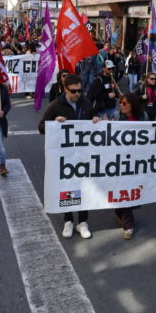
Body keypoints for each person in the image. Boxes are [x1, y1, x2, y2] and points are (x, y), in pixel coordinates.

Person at [39, 74, 99, 239]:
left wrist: (96, 120)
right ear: (65, 89)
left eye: (80, 90)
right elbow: (41, 127)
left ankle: (82, 222)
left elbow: (93, 119)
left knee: (83, 186)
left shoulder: (86, 103)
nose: (77, 94)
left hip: (83, 154)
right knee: (67, 186)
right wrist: (54, 123)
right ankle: (68, 221)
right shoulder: (56, 105)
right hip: (65, 156)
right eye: (74, 91)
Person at [115, 92, 148, 239]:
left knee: (129, 191)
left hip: (136, 160)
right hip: (119, 160)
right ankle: (126, 220)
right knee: (120, 190)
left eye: (124, 103)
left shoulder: (143, 116)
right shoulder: (116, 117)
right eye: (120, 103)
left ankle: (124, 218)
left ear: (133, 104)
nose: (121, 106)